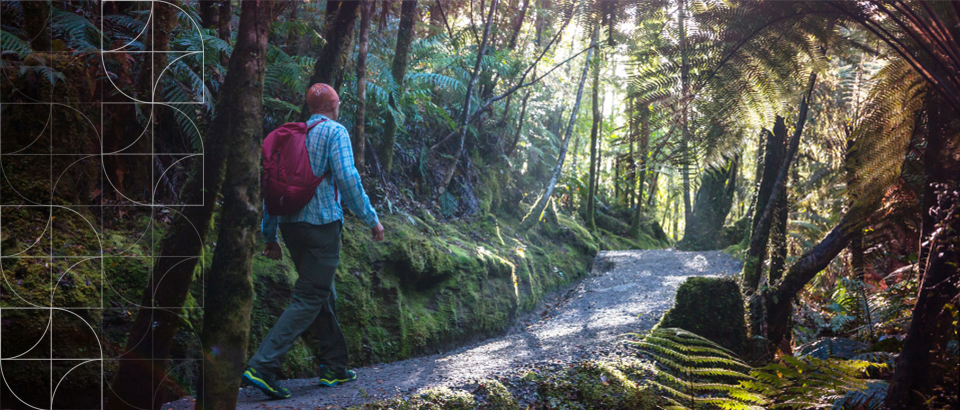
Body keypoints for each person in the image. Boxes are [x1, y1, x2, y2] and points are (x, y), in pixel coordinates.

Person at [242, 83, 385, 400]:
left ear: (309, 107)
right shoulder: (335, 132)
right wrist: (371, 218)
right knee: (309, 296)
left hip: (291, 227)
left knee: (322, 292)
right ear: (335, 106)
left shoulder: (292, 134)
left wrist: (271, 233)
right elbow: (347, 178)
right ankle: (262, 367)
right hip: (321, 227)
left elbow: (272, 183)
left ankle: (334, 366)